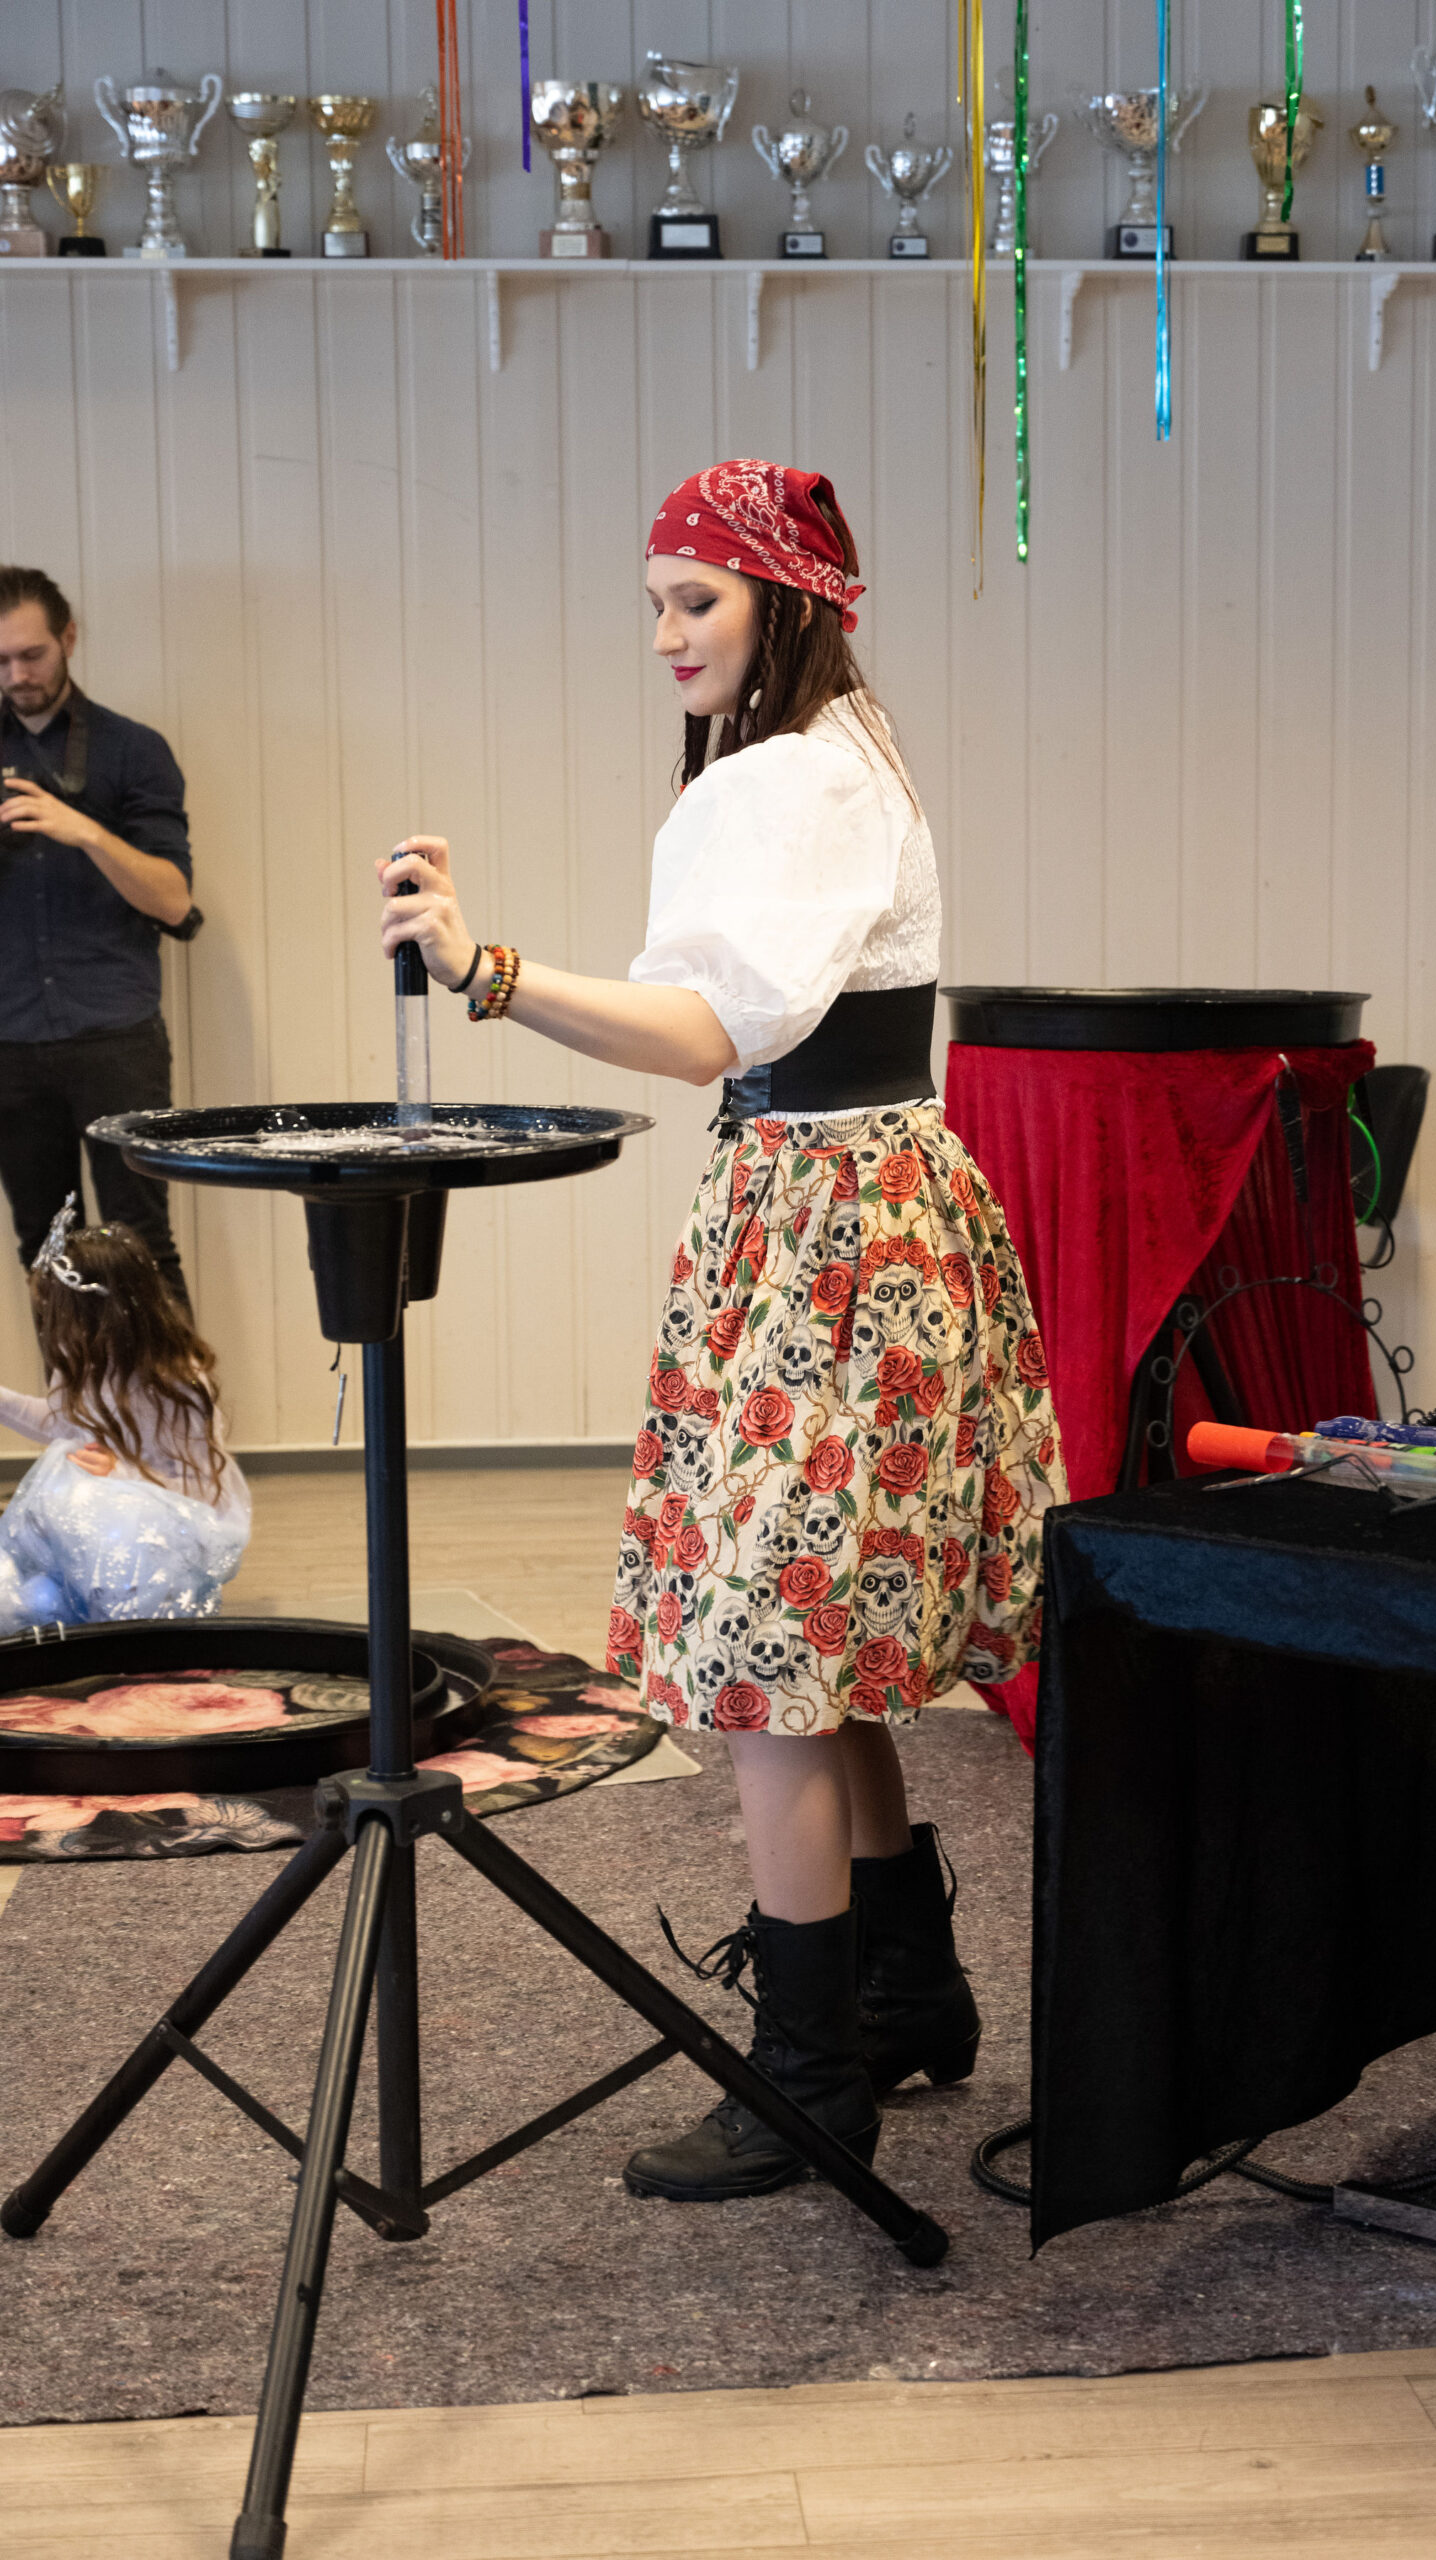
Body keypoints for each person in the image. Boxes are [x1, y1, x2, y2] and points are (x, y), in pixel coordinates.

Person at [377, 457, 1068, 2202]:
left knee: (766, 1664)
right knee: (818, 1649)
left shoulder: (780, 777)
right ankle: (901, 1992)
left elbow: (702, 1033)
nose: (666, 635)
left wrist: (482, 969)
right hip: (858, 1203)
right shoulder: (845, 750)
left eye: (695, 600)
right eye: (656, 605)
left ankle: (808, 2080)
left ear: (785, 600)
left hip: (829, 1226)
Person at [0, 565, 197, 1306]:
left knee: (141, 1245)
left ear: (69, 639)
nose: (17, 676)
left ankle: (172, 1393)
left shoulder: (132, 750)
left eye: (32, 655)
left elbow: (173, 901)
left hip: (116, 1036)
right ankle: (77, 1392)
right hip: (10, 1040)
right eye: (0, 660)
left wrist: (82, 829)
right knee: (45, 1252)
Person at [0, 1199, 249, 1635]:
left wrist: (122, 1473)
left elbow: (201, 1492)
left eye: (58, 1314)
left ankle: (130, 1633)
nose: (51, 1328)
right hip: (98, 1519)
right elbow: (60, 1423)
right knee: (32, 1593)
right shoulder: (78, 1357)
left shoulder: (174, 1382)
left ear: (99, 1315)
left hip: (166, 1535)